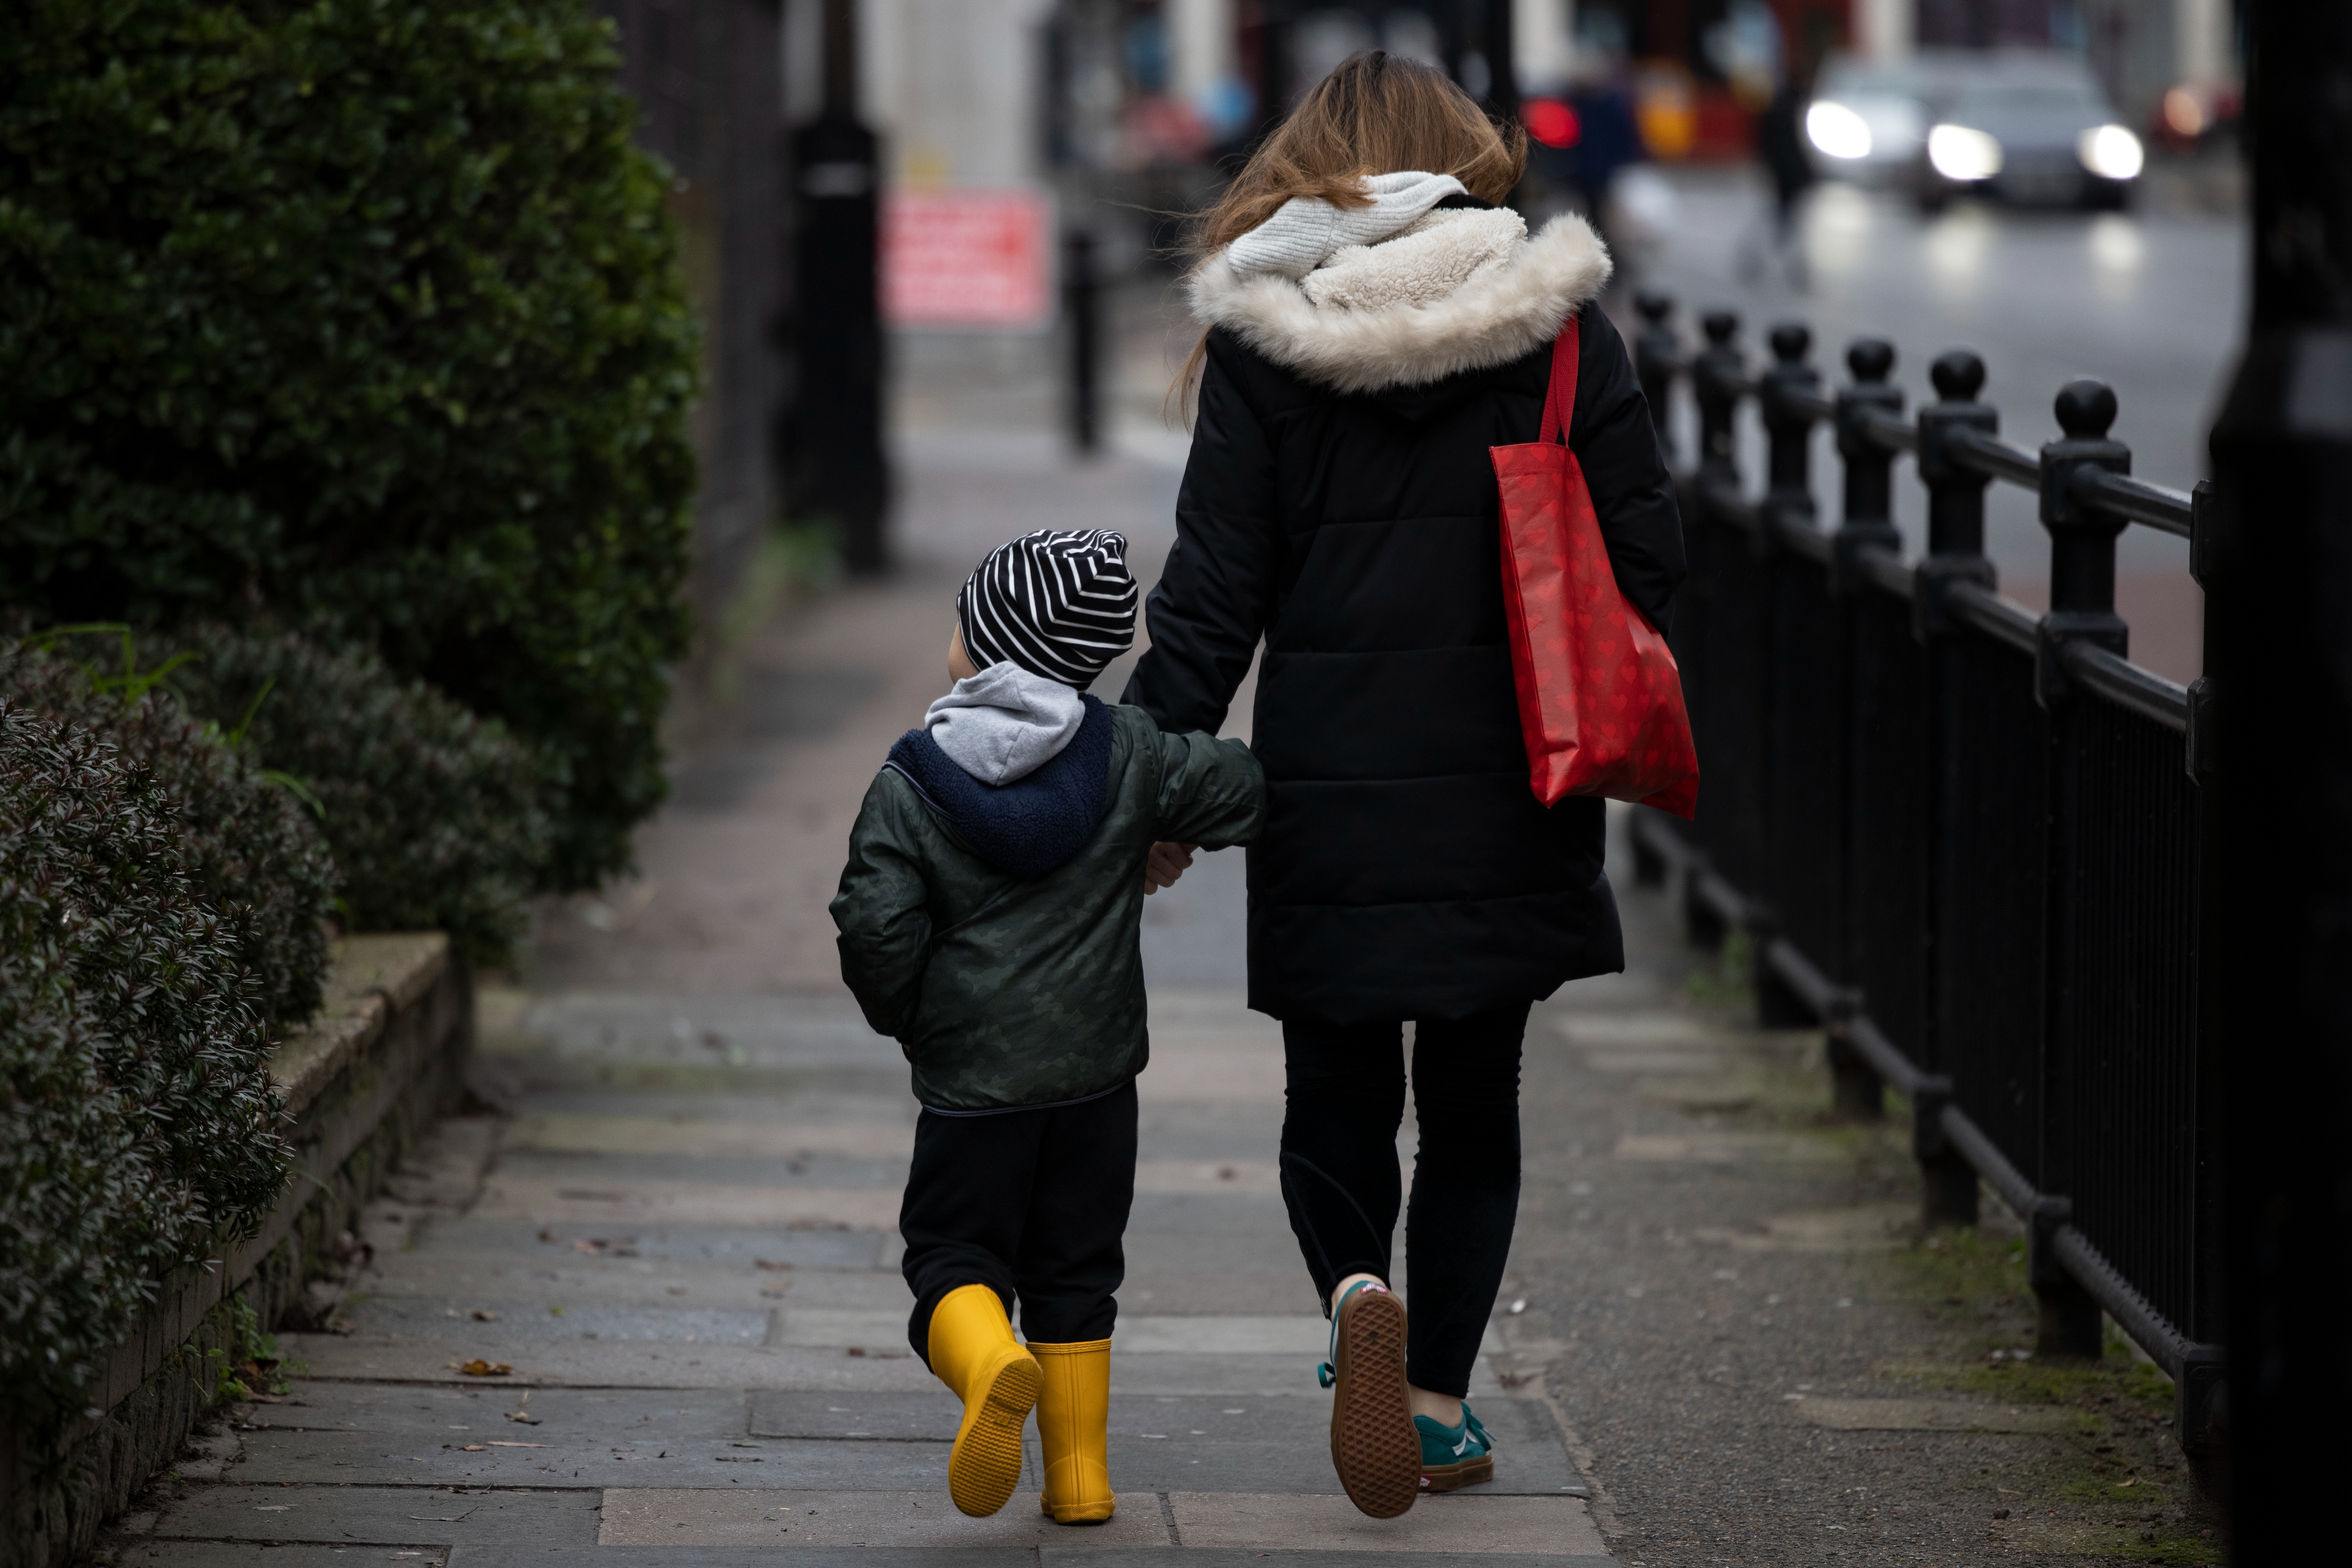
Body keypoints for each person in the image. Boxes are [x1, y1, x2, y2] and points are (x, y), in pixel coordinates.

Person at [1126, 51, 1685, 1519]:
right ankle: (1433, 1400)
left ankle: (1354, 1286)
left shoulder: (1268, 339)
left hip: (1330, 779)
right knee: (1477, 1098)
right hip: (1516, 774)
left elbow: (1210, 597)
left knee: (1336, 1086)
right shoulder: (1558, 331)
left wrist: (1153, 786)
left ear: (1310, 166)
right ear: (1466, 154)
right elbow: (1654, 564)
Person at [830, 529, 1265, 1524]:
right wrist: (1194, 810)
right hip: (1097, 1088)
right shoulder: (1134, 756)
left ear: (983, 644)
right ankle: (1079, 1480)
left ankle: (990, 1363)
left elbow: (875, 926)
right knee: (1077, 1273)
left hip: (973, 1092)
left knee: (950, 1257)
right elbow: (1240, 790)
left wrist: (912, 1021)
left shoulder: (911, 783)